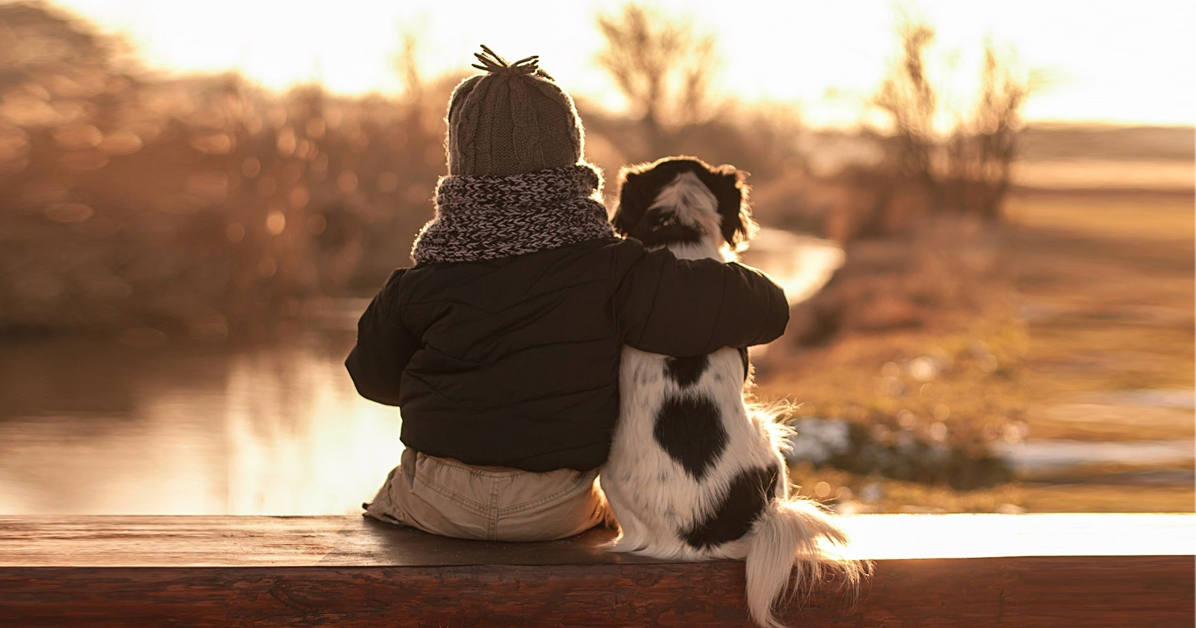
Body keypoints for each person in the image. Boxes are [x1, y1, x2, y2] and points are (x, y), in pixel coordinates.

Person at [346, 46, 789, 542]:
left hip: (439, 502)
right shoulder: (615, 270)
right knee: (607, 514)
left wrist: (454, 389)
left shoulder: (422, 278)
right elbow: (768, 309)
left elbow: (371, 379)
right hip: (554, 507)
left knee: (387, 496)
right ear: (570, 153)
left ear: (460, 165)